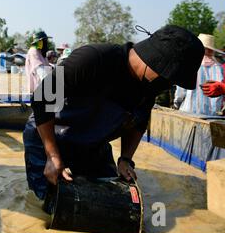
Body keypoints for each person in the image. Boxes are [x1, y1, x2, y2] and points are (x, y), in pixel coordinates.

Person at [23, 25, 204, 205]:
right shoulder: (93, 58)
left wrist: (126, 159)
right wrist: (53, 155)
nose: (168, 86)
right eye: (170, 79)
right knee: (52, 206)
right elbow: (42, 97)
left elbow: (139, 123)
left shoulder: (148, 88)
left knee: (112, 200)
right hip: (48, 136)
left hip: (92, 144)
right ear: (156, 61)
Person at [173, 34, 224, 116]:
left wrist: (177, 102)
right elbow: (219, 93)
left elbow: (181, 90)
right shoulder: (219, 68)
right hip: (210, 114)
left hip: (188, 110)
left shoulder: (189, 64)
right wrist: (215, 111)